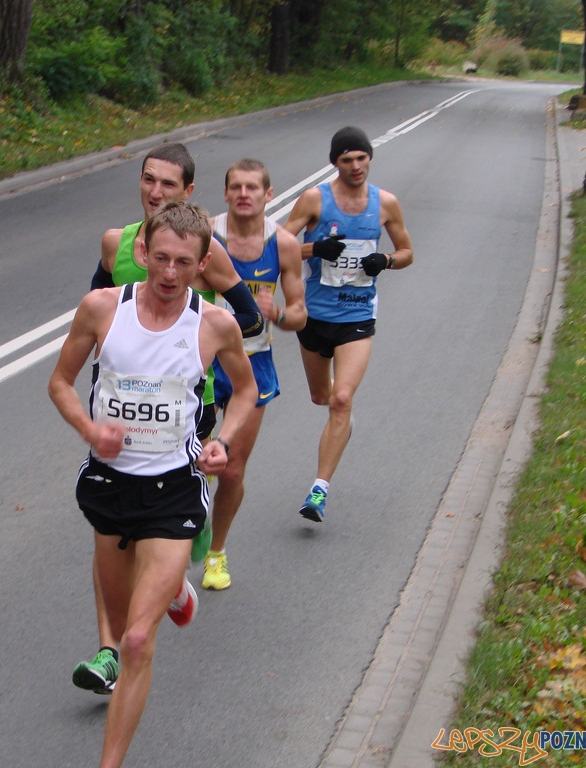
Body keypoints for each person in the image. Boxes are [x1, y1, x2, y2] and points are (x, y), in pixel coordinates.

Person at [49, 201, 257, 768]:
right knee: (118, 623)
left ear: (202, 263)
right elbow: (61, 383)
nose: (169, 273)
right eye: (160, 258)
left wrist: (223, 442)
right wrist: (91, 427)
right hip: (111, 486)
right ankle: (176, 594)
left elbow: (244, 389)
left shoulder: (213, 324)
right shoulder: (101, 310)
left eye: (183, 263)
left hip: (174, 489)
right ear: (141, 252)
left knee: (135, 642)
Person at [73, 143, 263, 694]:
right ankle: (111, 650)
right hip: (122, 409)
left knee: (157, 529)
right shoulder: (118, 242)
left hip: (186, 412)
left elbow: (246, 318)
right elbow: (97, 304)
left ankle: (170, 590)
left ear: (187, 193)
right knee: (112, 532)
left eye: (168, 185)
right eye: (148, 181)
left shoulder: (206, 254)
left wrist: (198, 354)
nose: (156, 192)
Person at [282, 126, 413, 522]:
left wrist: (386, 261)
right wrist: (314, 248)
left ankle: (318, 491)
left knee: (341, 399)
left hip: (357, 315)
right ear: (335, 163)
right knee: (322, 397)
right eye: (346, 160)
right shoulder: (315, 200)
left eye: (361, 158)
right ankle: (343, 422)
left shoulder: (385, 203)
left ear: (370, 158)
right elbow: (275, 245)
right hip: (315, 315)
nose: (356, 166)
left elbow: (407, 251)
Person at [201, 159, 306, 589]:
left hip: (253, 363)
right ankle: (176, 539)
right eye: (236, 187)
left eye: (252, 188)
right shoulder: (204, 233)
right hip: (203, 362)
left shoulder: (282, 244)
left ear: (268, 194)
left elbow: (301, 314)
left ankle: (215, 553)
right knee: (188, 464)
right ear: (225, 194)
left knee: (231, 468)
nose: (244, 194)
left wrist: (277, 312)